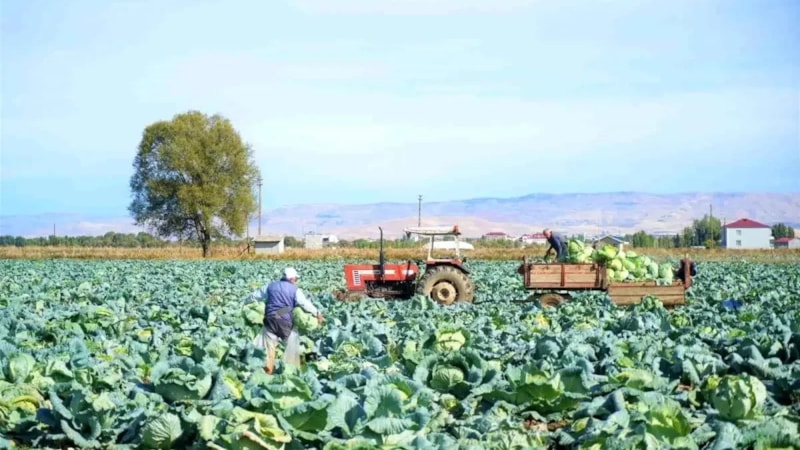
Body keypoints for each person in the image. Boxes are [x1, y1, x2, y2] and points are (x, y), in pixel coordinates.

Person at [243, 267, 323, 374]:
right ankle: (291, 371)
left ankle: (267, 371)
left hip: (271, 319)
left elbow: (254, 296)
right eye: (295, 279)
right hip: (285, 321)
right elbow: (304, 303)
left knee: (268, 347)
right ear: (292, 279)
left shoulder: (270, 286)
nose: (296, 281)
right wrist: (317, 313)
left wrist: (245, 303)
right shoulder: (295, 290)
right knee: (291, 346)